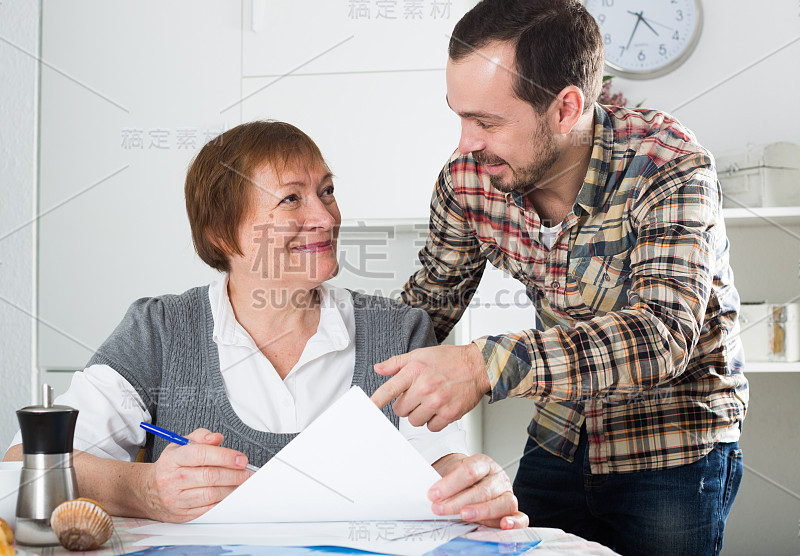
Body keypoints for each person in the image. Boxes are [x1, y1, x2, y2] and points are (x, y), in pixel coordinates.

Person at [370, 0, 746, 555]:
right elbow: (430, 302)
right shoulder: (471, 179)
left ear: (566, 107)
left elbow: (662, 336)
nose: (466, 144)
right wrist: (319, 344)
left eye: (487, 122)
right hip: (560, 435)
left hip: (674, 445)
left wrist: (482, 365)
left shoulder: (668, 165)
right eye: (461, 117)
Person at [4, 121, 527, 529]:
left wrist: (469, 485)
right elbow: (22, 467)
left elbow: (436, 467)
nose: (325, 218)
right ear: (222, 234)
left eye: (326, 191)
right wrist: (141, 489)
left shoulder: (397, 331)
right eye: (291, 198)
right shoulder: (160, 331)